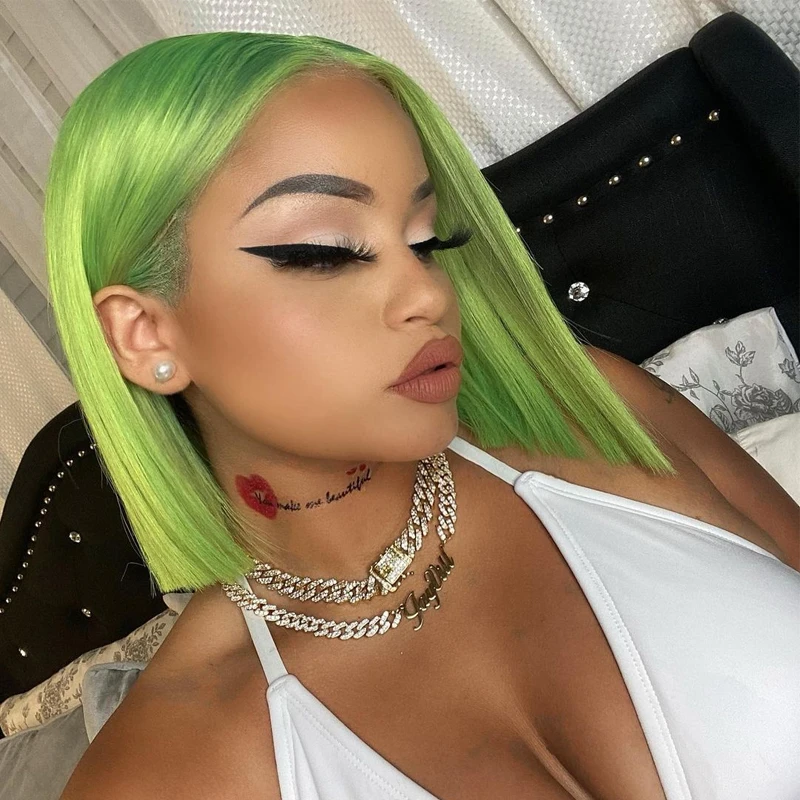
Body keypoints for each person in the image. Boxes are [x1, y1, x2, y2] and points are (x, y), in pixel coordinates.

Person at [49, 32, 799, 800]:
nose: (428, 293)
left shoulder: (594, 412)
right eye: (326, 251)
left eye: (426, 240)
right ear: (147, 336)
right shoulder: (160, 772)